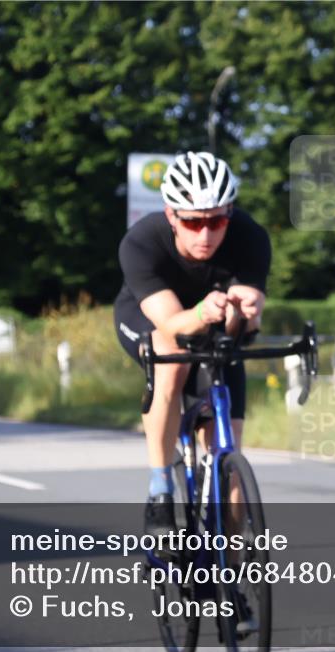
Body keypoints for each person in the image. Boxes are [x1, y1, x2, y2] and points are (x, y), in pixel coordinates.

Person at [113, 151, 271, 539]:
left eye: (217, 220)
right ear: (171, 215)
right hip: (150, 319)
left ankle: (231, 573)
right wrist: (203, 311)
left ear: (229, 212)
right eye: (193, 222)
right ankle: (161, 488)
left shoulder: (250, 237)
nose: (206, 234)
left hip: (212, 319)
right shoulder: (142, 242)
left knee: (226, 451)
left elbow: (244, 325)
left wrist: (244, 311)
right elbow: (172, 324)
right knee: (174, 357)